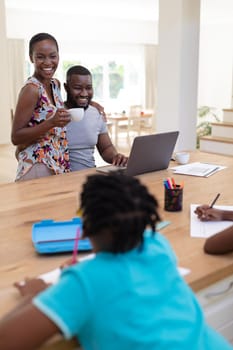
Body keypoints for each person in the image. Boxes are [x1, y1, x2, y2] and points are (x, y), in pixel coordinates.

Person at [0, 173, 232, 350]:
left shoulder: (83, 284)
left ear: (85, 226)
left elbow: (7, 341)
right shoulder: (157, 244)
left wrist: (34, 296)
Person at [11, 32, 71, 181]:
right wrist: (51, 123)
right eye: (40, 57)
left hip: (57, 162)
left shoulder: (55, 84)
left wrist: (91, 104)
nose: (48, 62)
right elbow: (16, 137)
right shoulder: (31, 89)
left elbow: (58, 111)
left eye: (52, 56)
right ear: (31, 58)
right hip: (37, 164)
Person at [64, 65, 128, 171]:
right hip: (62, 178)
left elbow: (106, 148)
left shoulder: (96, 113)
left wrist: (116, 157)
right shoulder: (55, 113)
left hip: (90, 175)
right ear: (66, 88)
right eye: (78, 88)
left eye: (88, 88)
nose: (84, 93)